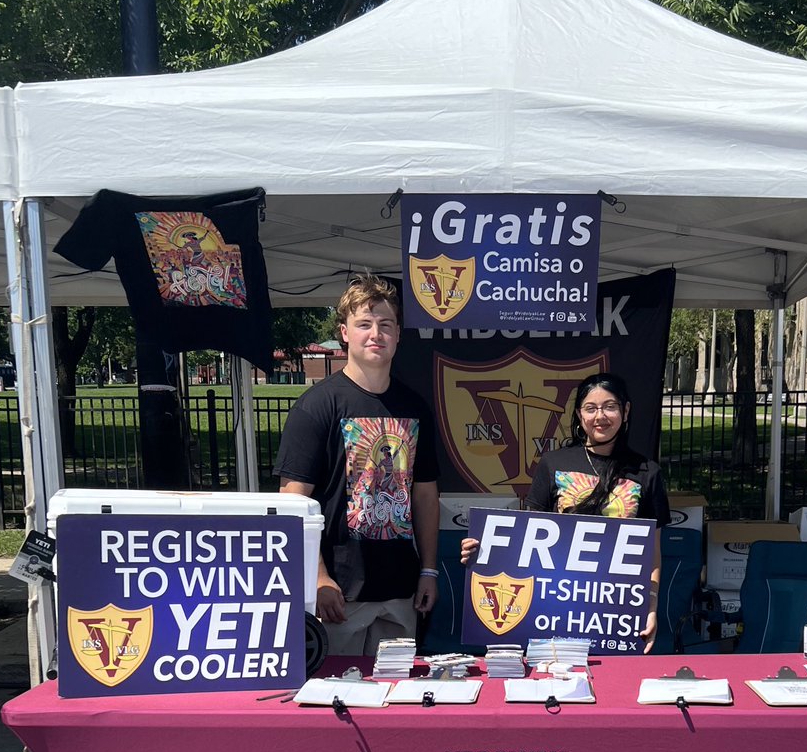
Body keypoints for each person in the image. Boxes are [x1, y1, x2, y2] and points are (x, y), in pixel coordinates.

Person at [274, 273, 441, 656]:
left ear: (398, 334)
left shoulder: (415, 408)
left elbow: (426, 495)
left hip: (401, 590)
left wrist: (428, 570)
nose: (375, 334)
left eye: (385, 325)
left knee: (399, 702)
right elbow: (293, 501)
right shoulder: (316, 406)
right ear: (345, 332)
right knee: (339, 703)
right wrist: (317, 578)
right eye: (364, 324)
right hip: (339, 595)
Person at [462, 372, 670, 650]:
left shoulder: (647, 473)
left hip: (617, 614)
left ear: (626, 410)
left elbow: (652, 554)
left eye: (610, 406)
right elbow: (526, 541)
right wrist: (484, 551)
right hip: (556, 611)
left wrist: (651, 605)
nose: (601, 416)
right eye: (591, 408)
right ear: (578, 414)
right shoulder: (552, 464)